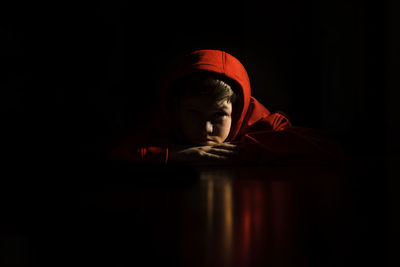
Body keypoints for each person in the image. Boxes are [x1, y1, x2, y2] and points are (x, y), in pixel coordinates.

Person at [107, 49, 343, 165]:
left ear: (238, 111)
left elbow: (328, 148)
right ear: (176, 108)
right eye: (193, 113)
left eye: (219, 114)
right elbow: (110, 157)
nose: (207, 128)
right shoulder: (163, 120)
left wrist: (241, 150)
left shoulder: (258, 122)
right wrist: (176, 155)